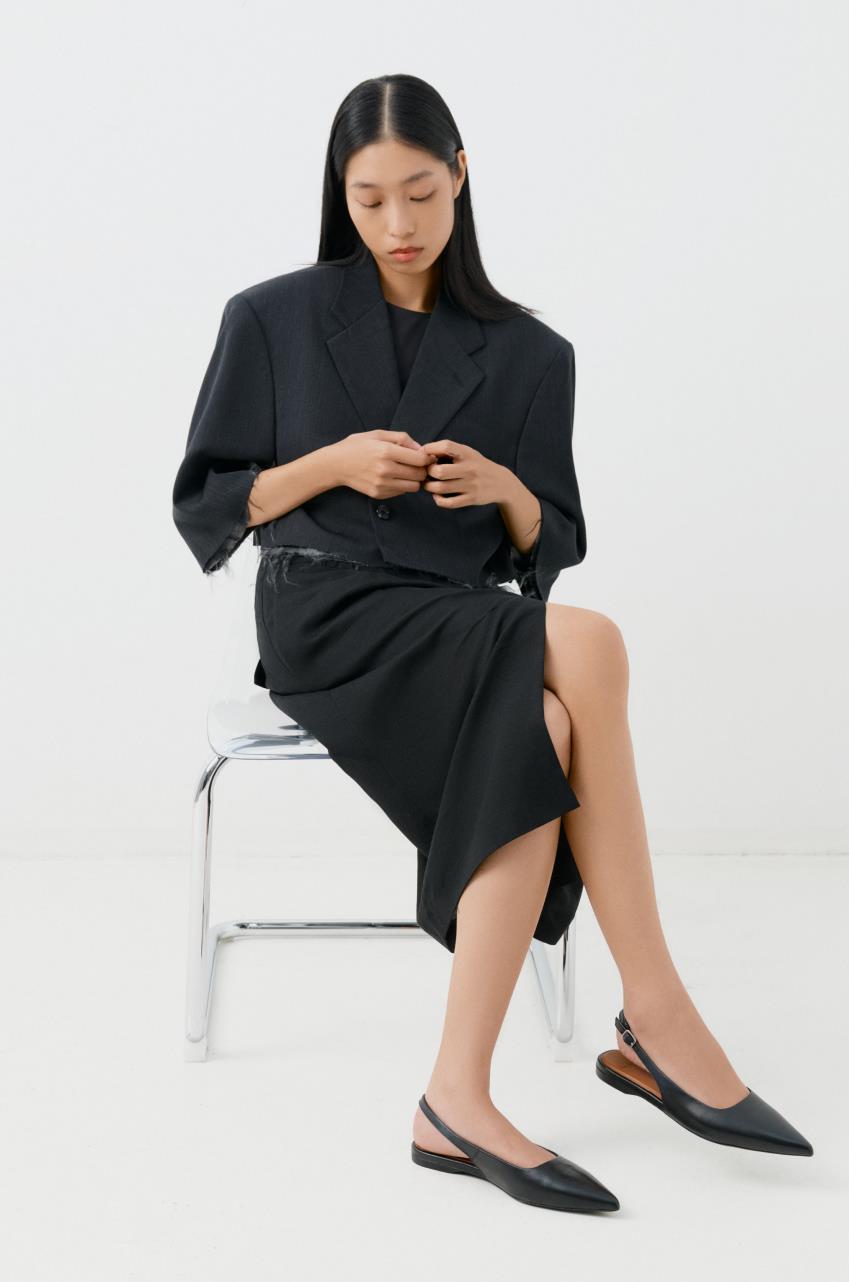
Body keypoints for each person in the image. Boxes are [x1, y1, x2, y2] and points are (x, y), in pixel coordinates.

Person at [172, 73, 812, 1214]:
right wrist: (332, 464)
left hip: (462, 620)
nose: (398, 224)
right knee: (593, 647)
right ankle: (655, 1011)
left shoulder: (530, 354)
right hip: (326, 615)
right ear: (340, 194)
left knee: (551, 721)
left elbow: (549, 542)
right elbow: (206, 507)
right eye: (370, 199)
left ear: (461, 177)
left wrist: (510, 491)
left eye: (421, 194)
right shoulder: (269, 317)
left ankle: (455, 1095)